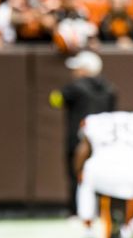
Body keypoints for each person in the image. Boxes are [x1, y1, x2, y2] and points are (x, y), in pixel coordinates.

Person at [75, 110, 133, 238]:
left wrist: (78, 173)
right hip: (129, 169)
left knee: (86, 186)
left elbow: (82, 151)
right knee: (130, 193)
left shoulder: (95, 121)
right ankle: (123, 227)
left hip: (98, 167)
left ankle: (89, 232)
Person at [50, 51, 116, 219]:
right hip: (103, 142)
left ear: (85, 70)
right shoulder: (110, 88)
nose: (74, 72)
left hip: (78, 140)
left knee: (76, 174)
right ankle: (101, 210)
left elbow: (55, 100)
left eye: (78, 68)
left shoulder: (75, 88)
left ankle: (76, 210)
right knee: (103, 176)